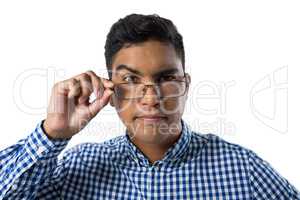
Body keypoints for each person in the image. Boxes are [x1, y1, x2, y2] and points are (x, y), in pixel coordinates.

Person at [0, 13, 299, 200]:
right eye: (130, 78)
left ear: (185, 84)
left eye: (166, 77)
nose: (151, 97)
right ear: (110, 90)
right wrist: (53, 133)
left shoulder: (243, 170)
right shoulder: (75, 167)